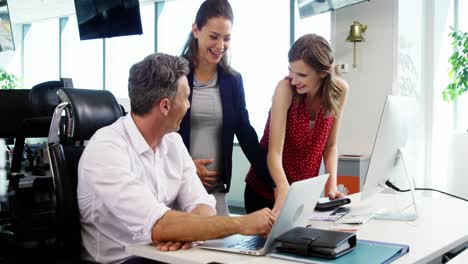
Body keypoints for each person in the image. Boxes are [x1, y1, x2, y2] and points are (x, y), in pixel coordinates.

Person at [77, 53, 276, 264]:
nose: (189, 106)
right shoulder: (107, 150)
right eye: (186, 98)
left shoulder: (172, 142)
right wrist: (242, 224)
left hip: (163, 254)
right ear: (165, 106)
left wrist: (185, 232)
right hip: (123, 260)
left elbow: (202, 204)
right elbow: (158, 225)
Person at [179, 0, 272, 215]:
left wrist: (276, 182)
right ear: (196, 30)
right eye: (213, 36)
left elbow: (246, 134)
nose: (220, 45)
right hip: (178, 187)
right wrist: (187, 166)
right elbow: (161, 133)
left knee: (221, 246)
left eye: (226, 38)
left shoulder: (233, 81)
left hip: (216, 191)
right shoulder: (175, 75)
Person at [244, 34, 348, 214]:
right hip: (265, 192)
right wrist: (283, 188)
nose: (293, 79)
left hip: (301, 195)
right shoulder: (285, 89)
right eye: (291, 70)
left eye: (301, 74)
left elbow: (330, 146)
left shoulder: (339, 90)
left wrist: (331, 186)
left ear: (322, 73)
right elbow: (274, 153)